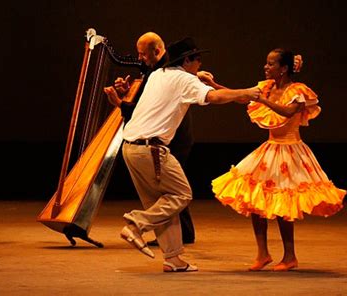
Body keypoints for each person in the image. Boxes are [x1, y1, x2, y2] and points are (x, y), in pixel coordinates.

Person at [104, 37, 261, 272]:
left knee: (163, 203)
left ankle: (173, 258)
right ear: (187, 60)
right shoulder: (185, 79)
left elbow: (178, 81)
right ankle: (137, 224)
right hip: (152, 150)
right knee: (181, 195)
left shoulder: (158, 75)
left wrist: (198, 77)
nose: (200, 64)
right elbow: (214, 97)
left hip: (131, 148)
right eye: (197, 60)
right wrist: (248, 91)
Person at [212, 48, 346, 271]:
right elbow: (242, 96)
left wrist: (263, 100)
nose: (266, 67)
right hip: (270, 150)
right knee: (255, 199)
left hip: (291, 151)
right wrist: (215, 85)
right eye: (266, 63)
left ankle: (290, 256)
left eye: (271, 64)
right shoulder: (266, 87)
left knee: (284, 203)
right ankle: (262, 253)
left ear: (283, 68)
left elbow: (288, 112)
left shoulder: (298, 91)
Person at [107, 32, 198, 245]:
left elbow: (140, 111)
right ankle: (176, 239)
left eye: (143, 54)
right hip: (165, 136)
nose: (140, 59)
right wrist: (128, 92)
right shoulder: (156, 70)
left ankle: (146, 225)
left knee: (173, 190)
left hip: (170, 138)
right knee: (169, 189)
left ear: (157, 51)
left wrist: (119, 102)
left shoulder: (163, 71)